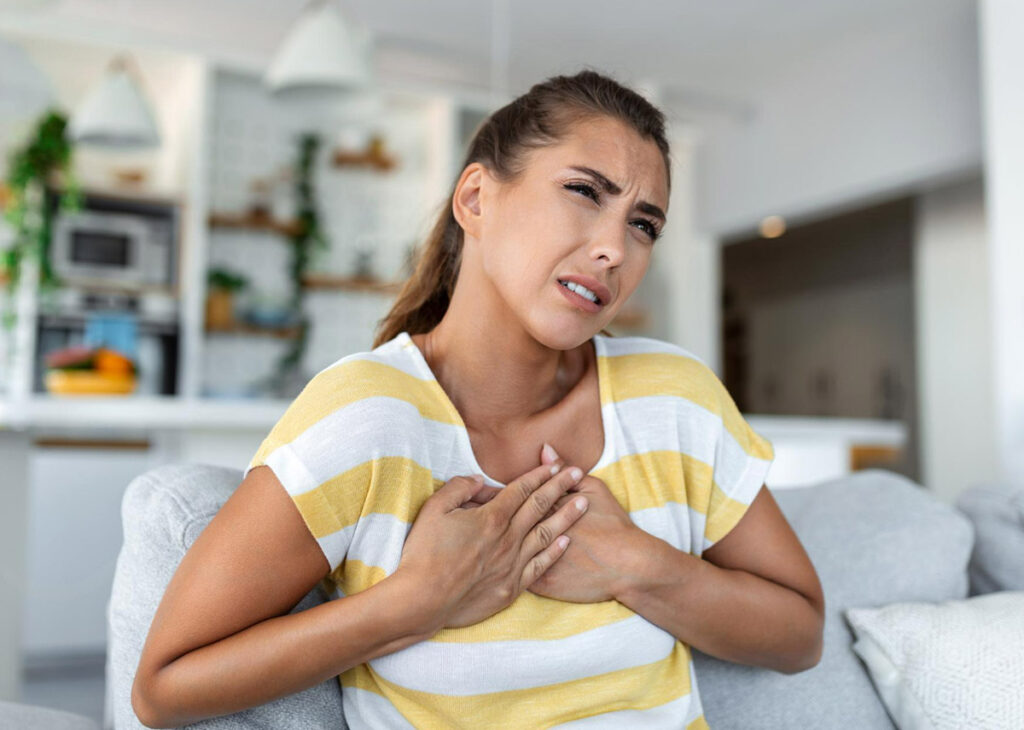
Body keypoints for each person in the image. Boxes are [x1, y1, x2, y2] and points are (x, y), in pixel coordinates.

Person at [132, 69, 824, 729]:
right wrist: (418, 601)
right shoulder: (365, 418)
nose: (615, 247)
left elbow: (800, 635)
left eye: (644, 224)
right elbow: (165, 688)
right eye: (585, 191)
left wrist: (638, 566)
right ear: (476, 200)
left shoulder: (676, 398)